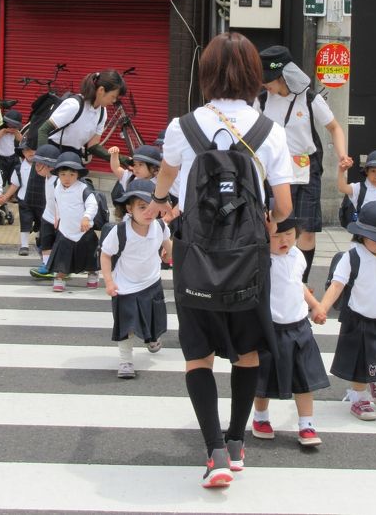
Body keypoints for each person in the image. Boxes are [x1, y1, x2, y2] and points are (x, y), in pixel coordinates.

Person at [144, 32, 293, 489]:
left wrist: (161, 205)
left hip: (196, 258)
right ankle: (235, 442)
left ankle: (213, 454)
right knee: (247, 352)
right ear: (254, 76)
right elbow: (284, 207)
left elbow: (165, 183)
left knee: (199, 356)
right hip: (248, 260)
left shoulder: (181, 127)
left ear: (206, 74)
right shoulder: (270, 130)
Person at [257, 45, 352, 285]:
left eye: (268, 81)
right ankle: (273, 279)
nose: (264, 86)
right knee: (272, 223)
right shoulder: (260, 101)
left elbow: (335, 127)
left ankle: (301, 282)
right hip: (272, 170)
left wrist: (342, 155)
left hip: (305, 168)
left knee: (307, 229)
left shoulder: (310, 98)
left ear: (283, 77)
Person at [315, 201, 376, 422]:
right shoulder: (352, 257)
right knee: (360, 362)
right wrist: (322, 307)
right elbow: (337, 285)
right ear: (361, 235)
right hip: (360, 317)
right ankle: (358, 397)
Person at [252, 216, 329, 447]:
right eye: (276, 236)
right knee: (263, 379)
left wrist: (315, 305)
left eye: (289, 234)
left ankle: (306, 424)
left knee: (304, 378)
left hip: (299, 327)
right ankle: (261, 418)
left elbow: (298, 285)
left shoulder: (298, 256)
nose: (284, 240)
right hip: (270, 328)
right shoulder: (262, 260)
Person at [99, 179, 173, 379]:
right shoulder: (120, 232)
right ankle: (125, 360)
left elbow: (167, 241)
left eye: (152, 207)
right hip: (125, 287)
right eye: (142, 207)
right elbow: (105, 255)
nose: (149, 212)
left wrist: (169, 252)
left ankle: (152, 337)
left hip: (152, 282)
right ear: (129, 208)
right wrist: (108, 282)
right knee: (127, 326)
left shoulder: (159, 225)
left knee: (153, 316)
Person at [37, 69, 126, 162]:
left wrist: (121, 159)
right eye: (113, 96)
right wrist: (43, 160)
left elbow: (93, 146)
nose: (114, 101)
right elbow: (43, 130)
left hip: (74, 155)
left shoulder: (102, 113)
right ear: (101, 90)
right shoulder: (74, 105)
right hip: (52, 151)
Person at [46, 152, 99, 293]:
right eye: (63, 174)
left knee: (89, 257)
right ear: (58, 174)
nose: (67, 178)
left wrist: (86, 217)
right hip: (65, 230)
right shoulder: (57, 187)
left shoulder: (83, 189)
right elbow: (56, 204)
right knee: (62, 257)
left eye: (71, 174)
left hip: (84, 230)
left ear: (78, 175)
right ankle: (60, 277)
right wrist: (56, 218)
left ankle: (93, 273)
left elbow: (92, 204)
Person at [0, 139, 41, 257]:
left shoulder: (44, 167)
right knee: (25, 222)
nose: (31, 152)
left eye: (33, 149)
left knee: (43, 222)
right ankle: (24, 245)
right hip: (25, 200)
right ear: (22, 152)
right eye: (27, 150)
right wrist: (6, 197)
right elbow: (15, 185)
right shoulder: (19, 168)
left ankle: (41, 240)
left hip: (42, 200)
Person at [28, 144, 62, 278]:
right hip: (47, 215)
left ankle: (61, 268)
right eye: (36, 164)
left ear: (51, 166)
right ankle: (46, 265)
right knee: (45, 241)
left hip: (58, 218)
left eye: (39, 165)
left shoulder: (58, 181)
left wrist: (58, 218)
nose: (36, 168)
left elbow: (60, 201)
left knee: (59, 243)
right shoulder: (46, 178)